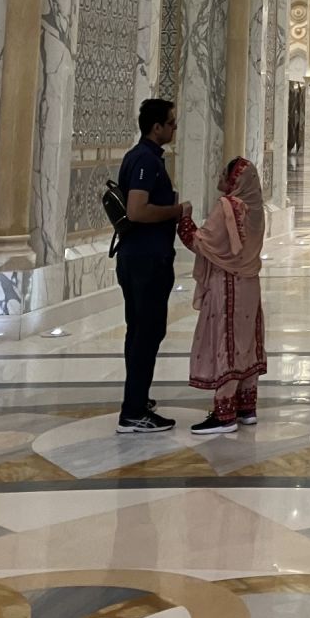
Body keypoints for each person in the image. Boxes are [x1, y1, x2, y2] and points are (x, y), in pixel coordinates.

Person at [115, 99, 191, 435]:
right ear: (156, 127)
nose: (174, 128)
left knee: (140, 331)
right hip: (146, 260)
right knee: (146, 333)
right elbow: (137, 210)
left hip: (138, 257)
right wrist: (177, 211)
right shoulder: (145, 160)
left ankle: (137, 399)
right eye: (171, 123)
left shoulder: (140, 156)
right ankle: (132, 413)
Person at [177, 157, 267, 435]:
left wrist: (184, 220)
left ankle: (224, 413)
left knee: (227, 341)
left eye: (225, 174)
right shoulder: (256, 208)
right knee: (246, 341)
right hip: (250, 283)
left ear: (235, 179)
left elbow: (202, 242)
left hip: (228, 284)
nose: (220, 176)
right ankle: (246, 406)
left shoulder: (228, 207)